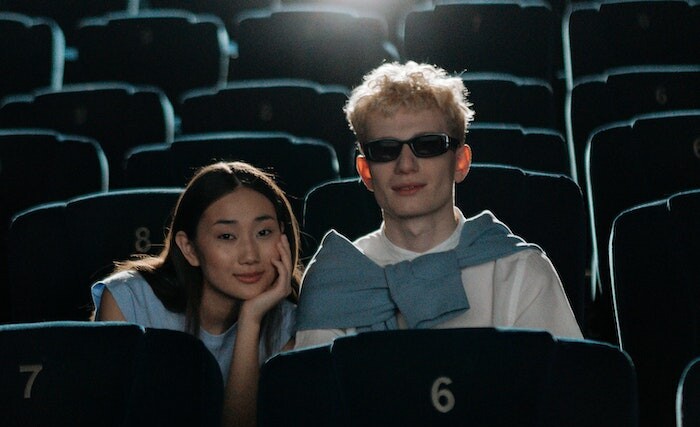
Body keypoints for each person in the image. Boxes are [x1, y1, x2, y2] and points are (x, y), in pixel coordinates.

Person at [294, 61, 582, 348]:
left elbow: (565, 387)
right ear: (366, 172)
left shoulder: (521, 270)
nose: (405, 165)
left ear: (460, 162)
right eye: (385, 150)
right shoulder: (334, 281)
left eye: (429, 145)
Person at [91, 161, 302, 427]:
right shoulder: (129, 301)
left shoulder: (290, 322)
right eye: (227, 236)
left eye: (263, 232)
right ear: (188, 248)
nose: (250, 255)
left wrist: (251, 320)